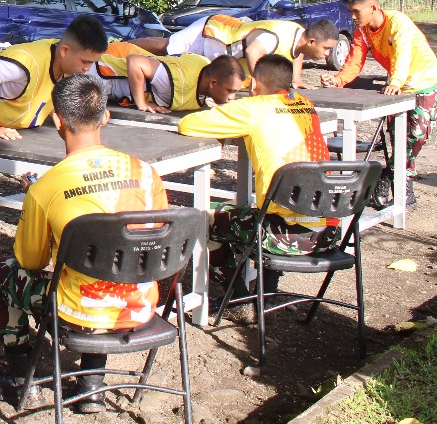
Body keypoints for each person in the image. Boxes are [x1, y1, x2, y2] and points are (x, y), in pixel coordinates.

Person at [0, 74, 167, 413]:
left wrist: (38, 205)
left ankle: (24, 381)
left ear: (56, 120)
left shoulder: (47, 187)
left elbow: (30, 261)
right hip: (140, 306)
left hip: (77, 312)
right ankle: (91, 387)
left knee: (2, 273)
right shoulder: (146, 173)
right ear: (106, 116)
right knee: (112, 269)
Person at [178, 54, 337, 296]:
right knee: (270, 209)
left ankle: (237, 295)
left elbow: (187, 125)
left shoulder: (253, 108)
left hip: (285, 236)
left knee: (204, 218)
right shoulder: (305, 103)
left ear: (253, 84)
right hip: (328, 232)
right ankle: (268, 292)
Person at [321, 0, 437, 202]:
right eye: (351, 12)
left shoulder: (398, 23)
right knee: (397, 137)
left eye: (356, 12)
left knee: (418, 136)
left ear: (373, 8)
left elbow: (402, 53)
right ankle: (404, 190)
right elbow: (354, 62)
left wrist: (395, 80)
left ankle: (388, 174)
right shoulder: (362, 32)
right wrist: (337, 79)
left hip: (422, 83)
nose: (353, 17)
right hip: (395, 89)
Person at [134, 15, 339, 88]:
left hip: (219, 52)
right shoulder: (275, 36)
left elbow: (297, 53)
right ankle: (127, 44)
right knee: (166, 47)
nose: (328, 54)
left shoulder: (299, 36)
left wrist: (296, 79)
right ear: (312, 41)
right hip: (210, 34)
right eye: (327, 49)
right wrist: (259, 82)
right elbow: (252, 53)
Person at [96, 50, 245, 113]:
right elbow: (135, 62)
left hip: (108, 93)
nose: (232, 98)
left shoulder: (205, 69)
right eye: (230, 91)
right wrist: (142, 103)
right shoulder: (172, 78)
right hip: (99, 74)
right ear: (213, 84)